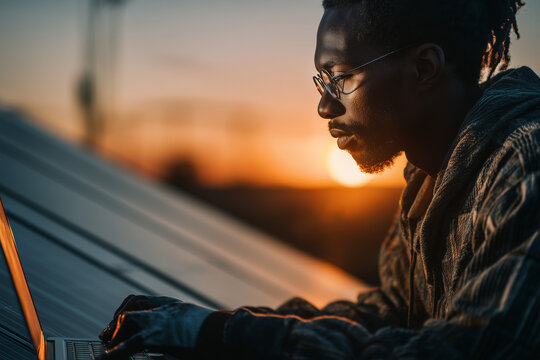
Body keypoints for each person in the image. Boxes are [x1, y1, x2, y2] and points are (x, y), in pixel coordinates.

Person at [98, 0, 540, 358]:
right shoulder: (428, 177)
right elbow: (392, 315)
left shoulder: (525, 168)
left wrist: (224, 336)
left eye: (342, 77)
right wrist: (219, 326)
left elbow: (468, 349)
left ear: (423, 69)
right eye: (322, 81)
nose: (325, 107)